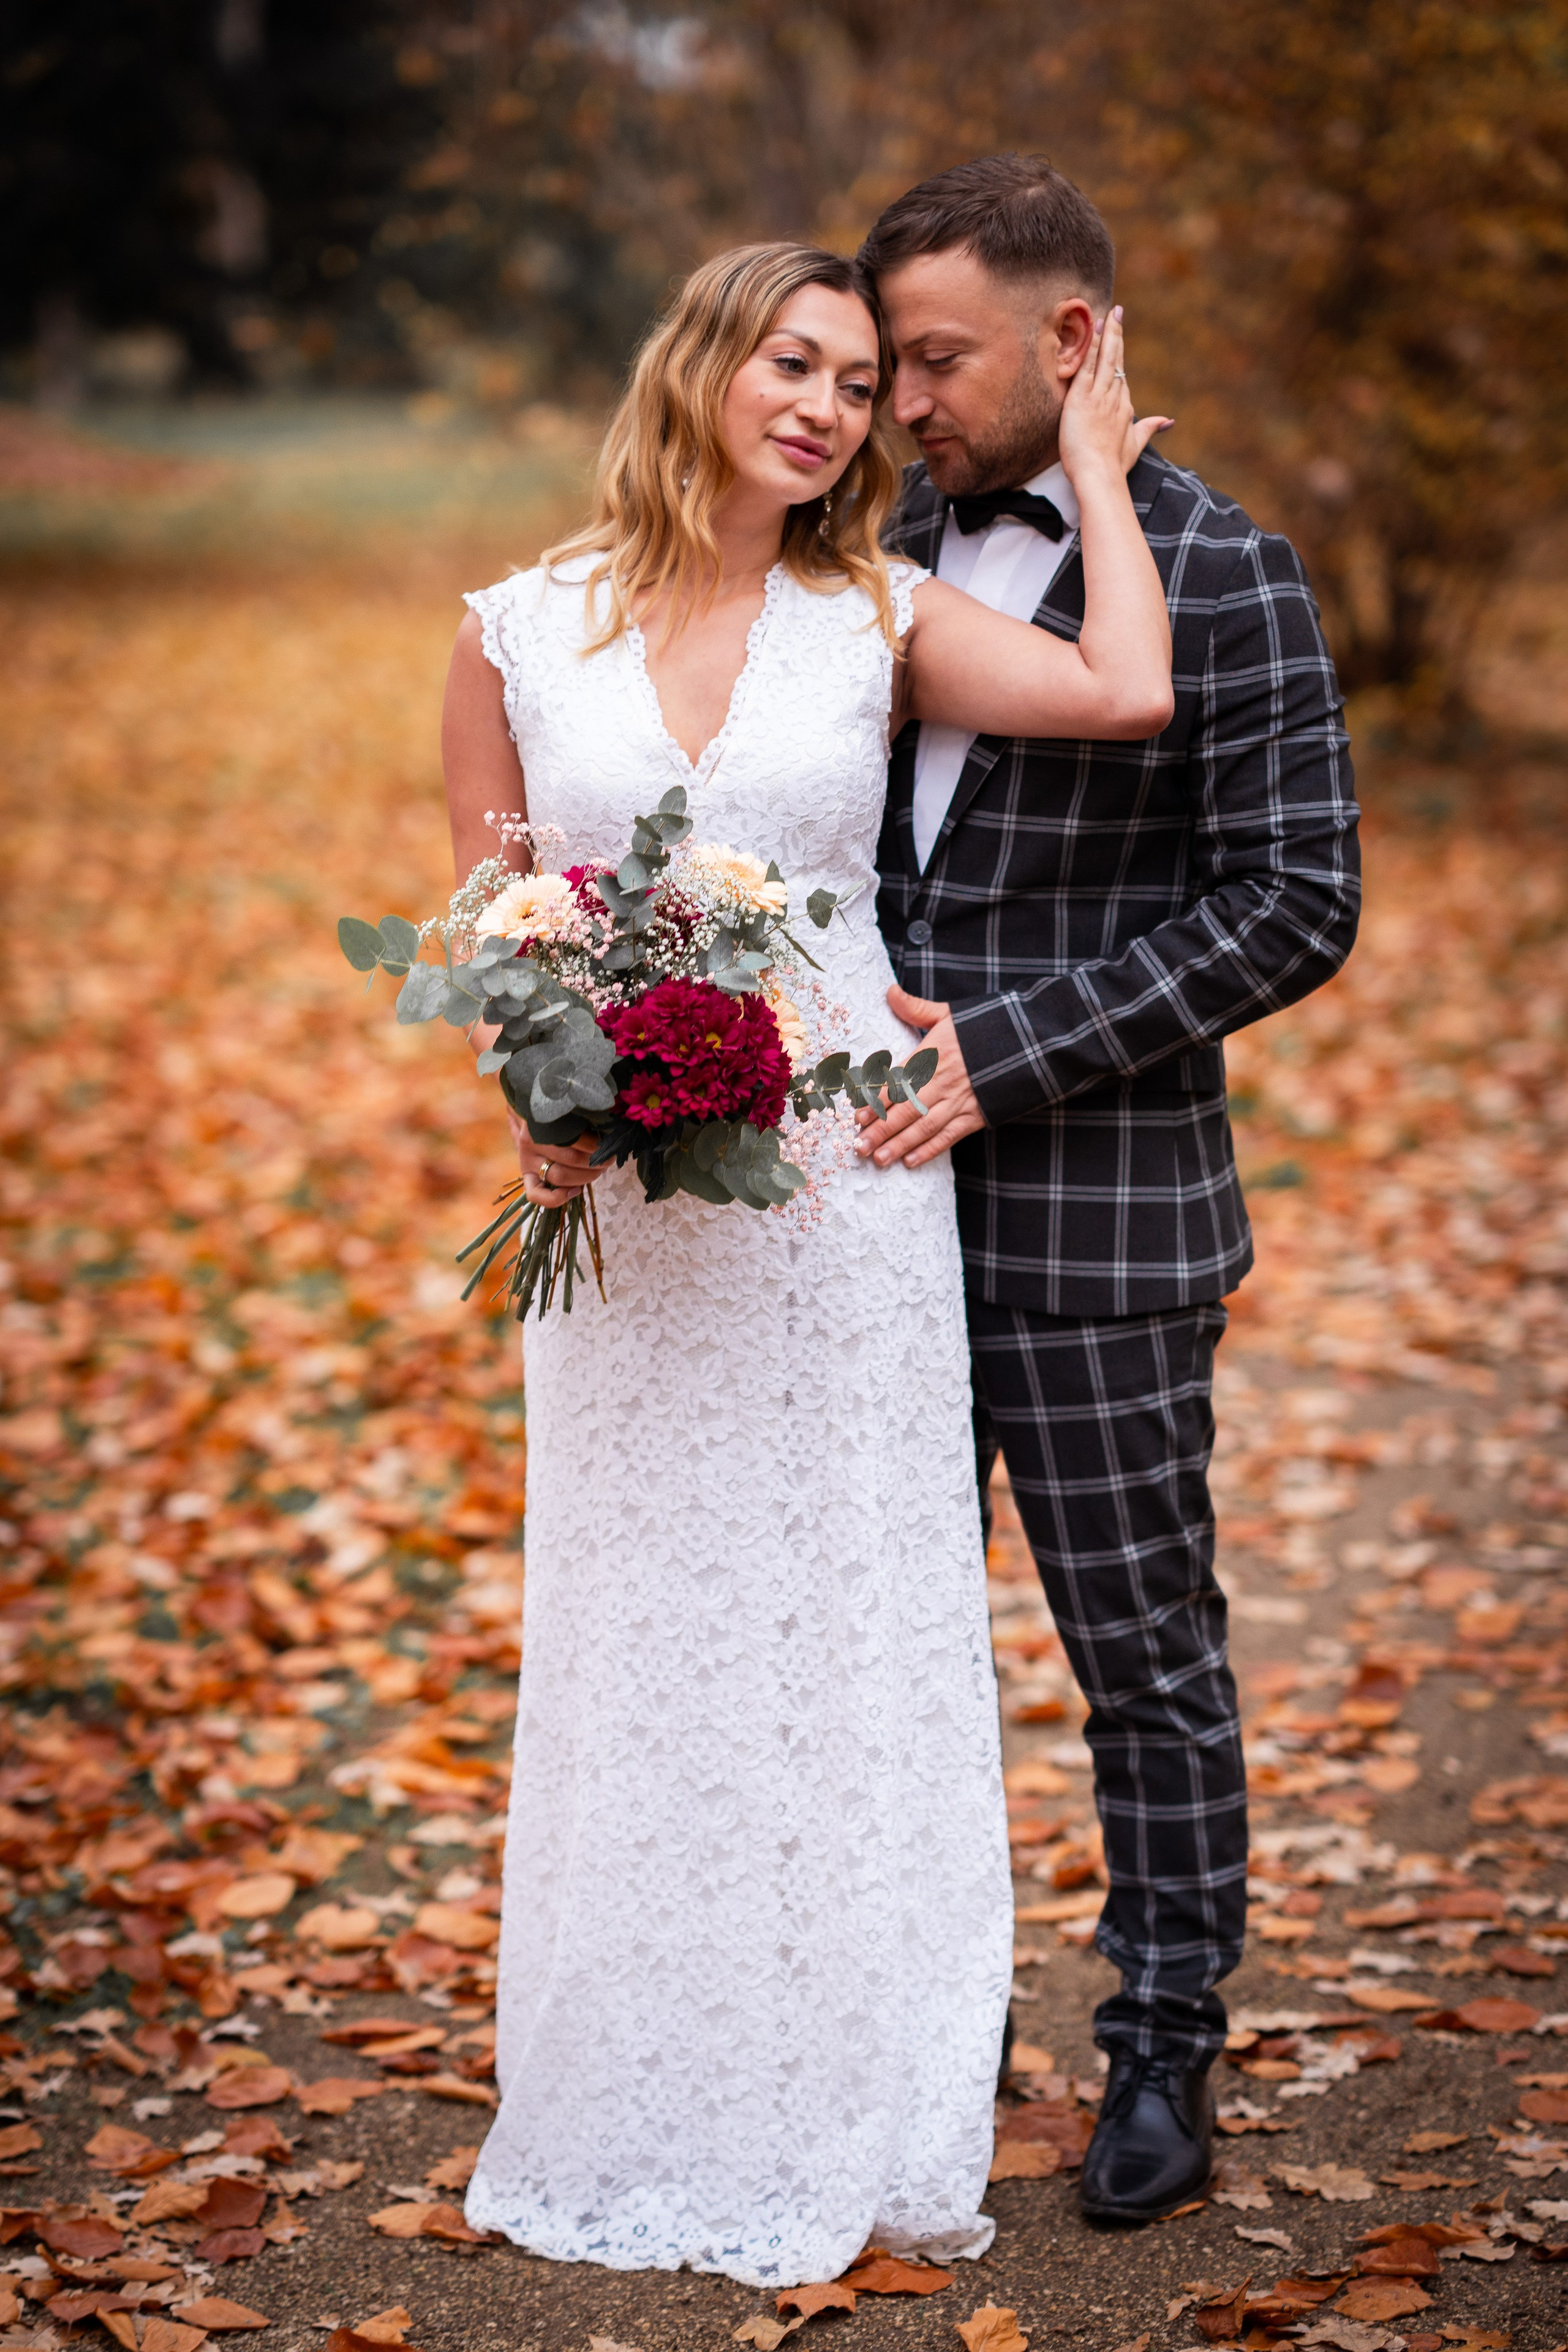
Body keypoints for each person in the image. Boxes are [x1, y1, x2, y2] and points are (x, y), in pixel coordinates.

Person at [440, 238, 1173, 2285]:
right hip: (633, 1226)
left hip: (844, 1189)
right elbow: (499, 928)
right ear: (702, 361)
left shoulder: (876, 614)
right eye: (796, 362)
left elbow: (1125, 692)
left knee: (844, 1616)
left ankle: (847, 2086)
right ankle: (636, 2074)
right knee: (643, 1621)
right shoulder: (518, 628)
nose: (831, 410)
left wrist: (1099, 467)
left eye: (859, 384)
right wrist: (539, 1091)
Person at [853, 155, 1362, 2222]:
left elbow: (1297, 902)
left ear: (1072, 343)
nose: (901, 405)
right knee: (894, 1647)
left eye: (935, 360)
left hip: (1102, 1230)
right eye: (885, 365)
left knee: (1140, 1650)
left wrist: (1007, 1055)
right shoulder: (883, 544)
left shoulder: (1229, 572)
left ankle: (1163, 2044)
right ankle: (925, 2014)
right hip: (862, 1217)